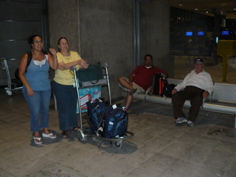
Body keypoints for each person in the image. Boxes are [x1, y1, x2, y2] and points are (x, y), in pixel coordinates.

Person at [18, 34, 58, 145]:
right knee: (35, 111)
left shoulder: (46, 55)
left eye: (40, 41)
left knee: (45, 110)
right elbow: (20, 74)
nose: (39, 44)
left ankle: (45, 130)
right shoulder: (27, 56)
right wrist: (28, 87)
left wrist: (54, 55)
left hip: (45, 87)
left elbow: (54, 67)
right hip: (32, 88)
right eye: (36, 42)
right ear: (32, 44)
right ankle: (36, 132)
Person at [52, 37, 89, 138]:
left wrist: (84, 64)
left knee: (73, 106)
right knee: (63, 107)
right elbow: (63, 66)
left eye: (66, 43)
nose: (65, 45)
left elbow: (81, 65)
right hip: (61, 84)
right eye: (62, 44)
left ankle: (74, 125)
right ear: (59, 46)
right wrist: (77, 62)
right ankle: (64, 128)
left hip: (73, 84)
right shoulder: (57, 55)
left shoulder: (74, 54)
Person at [171, 58, 214, 127]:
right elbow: (183, 84)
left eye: (199, 64)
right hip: (187, 89)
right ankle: (181, 117)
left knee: (197, 99)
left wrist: (207, 92)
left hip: (198, 90)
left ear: (202, 65)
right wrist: (176, 88)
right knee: (176, 96)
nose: (198, 65)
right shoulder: (190, 74)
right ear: (194, 65)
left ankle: (191, 119)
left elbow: (210, 86)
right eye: (196, 64)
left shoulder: (206, 75)